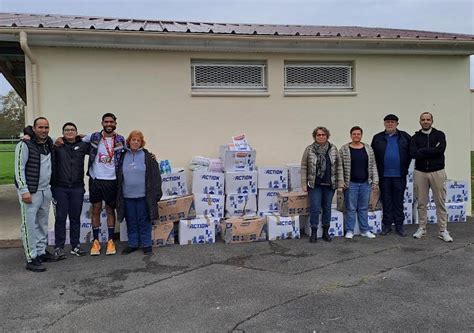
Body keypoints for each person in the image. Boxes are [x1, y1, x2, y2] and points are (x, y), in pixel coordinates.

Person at [15, 117, 58, 272]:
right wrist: (23, 190)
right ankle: (31, 257)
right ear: (33, 129)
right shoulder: (24, 144)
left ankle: (40, 251)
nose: (44, 130)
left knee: (42, 223)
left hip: (45, 190)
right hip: (30, 192)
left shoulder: (49, 144)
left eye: (46, 127)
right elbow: (19, 168)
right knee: (29, 225)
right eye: (40, 127)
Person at [82, 113, 125, 256]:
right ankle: (96, 241)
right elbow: (75, 138)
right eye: (106, 122)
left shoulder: (120, 139)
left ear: (115, 124)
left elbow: (131, 149)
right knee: (95, 209)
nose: (108, 124)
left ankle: (111, 241)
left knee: (110, 210)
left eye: (111, 122)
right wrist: (60, 140)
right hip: (96, 179)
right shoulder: (94, 137)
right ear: (102, 123)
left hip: (112, 180)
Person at [116, 130, 162, 255]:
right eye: (133, 140)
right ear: (128, 141)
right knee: (131, 221)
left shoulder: (148, 157)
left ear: (142, 143)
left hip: (144, 196)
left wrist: (157, 194)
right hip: (127, 196)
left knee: (144, 220)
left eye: (138, 140)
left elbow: (156, 176)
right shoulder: (122, 156)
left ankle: (146, 244)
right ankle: (133, 244)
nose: (135, 142)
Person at [410, 112, 453, 242]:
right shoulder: (415, 137)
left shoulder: (439, 135)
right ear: (420, 122)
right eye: (423, 120)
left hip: (437, 171)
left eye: (428, 119)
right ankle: (422, 228)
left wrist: (422, 150)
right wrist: (431, 151)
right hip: (420, 172)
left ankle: (442, 230)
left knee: (440, 202)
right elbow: (413, 153)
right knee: (422, 203)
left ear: (432, 121)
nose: (425, 121)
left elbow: (440, 150)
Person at [51, 122, 90, 259]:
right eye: (67, 130)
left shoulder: (83, 145)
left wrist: (85, 137)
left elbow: (98, 143)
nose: (70, 132)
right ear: (63, 133)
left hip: (77, 188)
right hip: (59, 188)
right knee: (60, 218)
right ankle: (59, 247)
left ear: (76, 131)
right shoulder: (57, 146)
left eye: (73, 129)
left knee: (75, 218)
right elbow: (38, 137)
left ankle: (75, 246)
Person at [371, 114, 412, 237]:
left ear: (397, 124)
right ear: (384, 123)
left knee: (398, 201)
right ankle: (387, 225)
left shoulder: (405, 137)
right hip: (384, 176)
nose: (390, 124)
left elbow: (411, 153)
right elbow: (372, 157)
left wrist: (405, 166)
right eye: (388, 122)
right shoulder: (377, 138)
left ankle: (399, 226)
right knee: (386, 201)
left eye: (393, 122)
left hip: (399, 175)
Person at [301, 126, 343, 243]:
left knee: (327, 208)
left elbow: (339, 167)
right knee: (315, 208)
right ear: (315, 136)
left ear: (327, 136)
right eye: (318, 135)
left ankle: (326, 232)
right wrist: (304, 184)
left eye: (323, 134)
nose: (321, 136)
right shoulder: (309, 149)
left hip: (329, 185)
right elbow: (304, 167)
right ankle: (313, 232)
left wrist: (340, 182)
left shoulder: (333, 149)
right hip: (315, 185)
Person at [339, 126, 379, 239]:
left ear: (361, 135)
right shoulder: (344, 149)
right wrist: (341, 182)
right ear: (350, 135)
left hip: (366, 183)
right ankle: (350, 230)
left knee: (363, 208)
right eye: (354, 134)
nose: (356, 136)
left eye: (358, 134)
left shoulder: (368, 148)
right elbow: (340, 167)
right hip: (350, 184)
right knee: (350, 208)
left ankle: (365, 230)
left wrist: (375, 180)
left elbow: (373, 165)